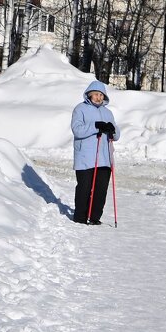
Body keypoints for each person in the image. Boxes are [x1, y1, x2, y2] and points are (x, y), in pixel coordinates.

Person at [70, 79, 120, 225]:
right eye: (96, 94)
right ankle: (80, 217)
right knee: (84, 188)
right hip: (85, 157)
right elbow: (77, 130)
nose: (99, 97)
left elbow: (116, 136)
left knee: (101, 190)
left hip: (104, 158)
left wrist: (113, 130)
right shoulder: (80, 109)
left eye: (101, 95)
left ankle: (94, 217)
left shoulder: (108, 113)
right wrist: (95, 126)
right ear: (89, 95)